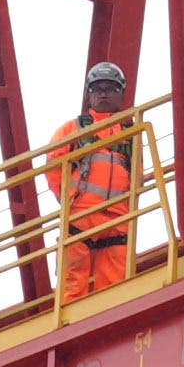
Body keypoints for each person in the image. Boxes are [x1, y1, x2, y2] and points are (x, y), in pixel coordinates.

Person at [45, 61, 146, 301]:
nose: (103, 93)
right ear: (89, 94)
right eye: (98, 88)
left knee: (114, 290)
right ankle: (68, 330)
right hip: (82, 215)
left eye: (110, 88)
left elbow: (138, 174)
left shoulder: (130, 132)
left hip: (119, 218)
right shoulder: (74, 128)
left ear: (120, 93)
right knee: (73, 285)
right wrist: (69, 199)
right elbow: (52, 166)